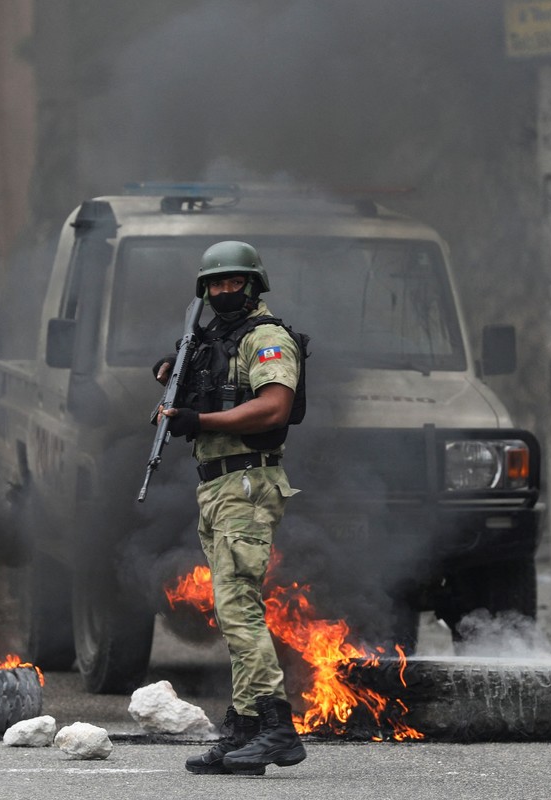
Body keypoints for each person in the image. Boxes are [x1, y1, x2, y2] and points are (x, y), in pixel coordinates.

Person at [154, 240, 306, 775]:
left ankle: (275, 727)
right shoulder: (215, 339)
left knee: (239, 610)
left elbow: (274, 406)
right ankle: (243, 731)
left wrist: (198, 422)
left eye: (232, 282)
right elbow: (209, 391)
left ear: (253, 284)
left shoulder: (266, 338)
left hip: (247, 483)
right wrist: (177, 378)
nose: (223, 290)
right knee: (231, 610)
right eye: (214, 284)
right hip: (218, 486)